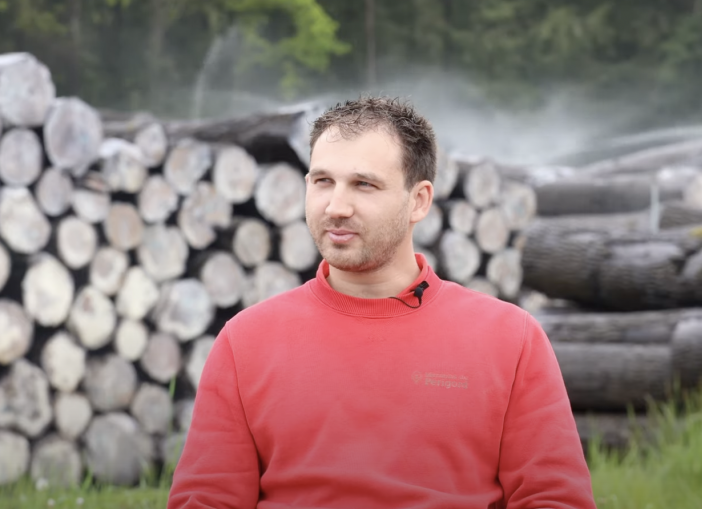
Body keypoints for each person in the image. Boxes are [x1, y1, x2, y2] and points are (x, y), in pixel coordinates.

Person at [167, 97, 597, 509]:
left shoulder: (510, 339)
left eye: (363, 185)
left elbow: (554, 499)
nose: (336, 206)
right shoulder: (246, 342)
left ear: (419, 201)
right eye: (322, 182)